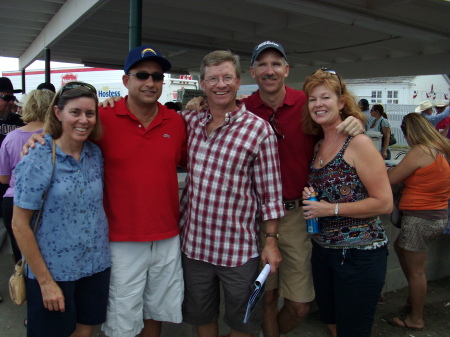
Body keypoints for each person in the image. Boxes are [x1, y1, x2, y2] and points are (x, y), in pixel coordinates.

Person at [187, 41, 364, 337]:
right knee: (264, 298)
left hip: (296, 214)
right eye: (263, 65)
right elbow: (215, 107)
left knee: (299, 304)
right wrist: (198, 102)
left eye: (276, 64)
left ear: (286, 70)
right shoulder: (244, 106)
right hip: (251, 218)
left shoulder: (306, 103)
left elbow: (334, 121)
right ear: (253, 73)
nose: (270, 71)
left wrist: (355, 121)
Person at [22, 45, 187, 337]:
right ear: (126, 81)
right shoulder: (104, 118)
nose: (150, 82)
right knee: (122, 321)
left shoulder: (176, 122)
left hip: (166, 236)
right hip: (120, 239)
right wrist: (40, 137)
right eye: (142, 75)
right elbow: (68, 132)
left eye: (157, 76)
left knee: (155, 313)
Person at [179, 50, 284, 337]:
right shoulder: (189, 122)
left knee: (243, 321)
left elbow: (270, 194)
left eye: (227, 77)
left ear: (238, 82)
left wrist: (271, 242)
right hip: (195, 246)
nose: (220, 84)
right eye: (213, 79)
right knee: (202, 315)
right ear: (202, 84)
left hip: (238, 249)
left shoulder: (258, 130)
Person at [12, 82, 111, 337]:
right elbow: (19, 224)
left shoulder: (95, 154)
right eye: (75, 112)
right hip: (55, 271)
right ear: (58, 113)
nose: (84, 120)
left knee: (85, 329)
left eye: (90, 113)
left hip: (94, 265)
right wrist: (46, 283)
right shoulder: (37, 158)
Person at [301, 68, 393, 337]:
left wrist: (330, 209)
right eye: (312, 99)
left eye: (325, 97)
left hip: (359, 255)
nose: (318, 104)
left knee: (354, 330)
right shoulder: (319, 145)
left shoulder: (359, 143)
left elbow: (385, 203)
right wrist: (313, 198)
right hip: (323, 251)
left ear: (341, 102)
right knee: (330, 321)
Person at [387, 113, 450, 331]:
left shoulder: (420, 151)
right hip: (437, 215)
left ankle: (416, 318)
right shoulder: (441, 146)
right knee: (400, 248)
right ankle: (415, 299)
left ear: (409, 132)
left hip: (420, 219)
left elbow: (391, 179)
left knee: (417, 272)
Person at [0, 89, 55, 263]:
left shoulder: (11, 137)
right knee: (46, 257)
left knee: (21, 259)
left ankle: (20, 290)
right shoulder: (55, 136)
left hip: (13, 200)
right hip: (45, 201)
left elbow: (4, 178)